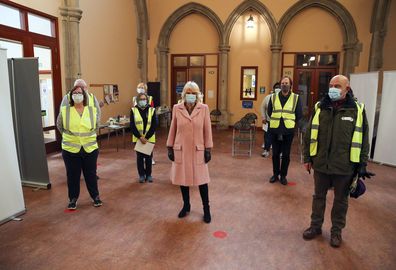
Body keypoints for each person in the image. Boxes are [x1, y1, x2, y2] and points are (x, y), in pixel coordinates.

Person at [302, 75, 374, 248]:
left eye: (337, 86)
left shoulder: (357, 109)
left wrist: (362, 164)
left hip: (344, 166)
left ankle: (336, 232)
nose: (333, 89)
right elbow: (309, 134)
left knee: (341, 201)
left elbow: (363, 139)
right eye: (331, 85)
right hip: (321, 164)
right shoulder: (321, 107)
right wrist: (307, 158)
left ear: (347, 89)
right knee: (318, 197)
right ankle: (315, 226)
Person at [166, 81, 213, 223]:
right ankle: (186, 206)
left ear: (198, 94)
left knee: (202, 181)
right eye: (188, 93)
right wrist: (169, 146)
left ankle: (206, 209)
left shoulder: (203, 108)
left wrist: (208, 148)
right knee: (183, 179)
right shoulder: (177, 108)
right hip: (181, 149)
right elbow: (173, 128)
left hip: (198, 149)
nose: (191, 95)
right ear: (184, 94)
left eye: (193, 93)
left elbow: (207, 129)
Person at [57, 85, 102, 210]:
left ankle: (95, 197)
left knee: (91, 174)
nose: (77, 95)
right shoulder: (65, 111)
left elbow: (96, 126)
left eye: (80, 92)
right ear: (71, 96)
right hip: (70, 149)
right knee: (72, 175)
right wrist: (73, 138)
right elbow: (60, 126)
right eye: (75, 93)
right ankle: (73, 199)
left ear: (84, 95)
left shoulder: (92, 110)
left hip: (90, 149)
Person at [61, 79, 102, 180]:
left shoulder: (92, 97)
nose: (80, 90)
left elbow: (98, 113)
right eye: (77, 88)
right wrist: (68, 133)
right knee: (74, 169)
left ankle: (93, 174)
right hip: (73, 140)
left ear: (86, 88)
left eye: (82, 88)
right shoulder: (67, 98)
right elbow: (61, 119)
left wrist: (93, 131)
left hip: (88, 138)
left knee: (91, 166)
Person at [267, 76, 302, 185]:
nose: (284, 85)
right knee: (275, 154)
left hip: (288, 130)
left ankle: (283, 175)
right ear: (280, 85)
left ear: (290, 85)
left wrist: (288, 121)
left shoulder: (296, 98)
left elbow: (299, 114)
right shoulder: (273, 97)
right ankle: (275, 174)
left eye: (286, 83)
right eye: (282, 83)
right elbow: (269, 111)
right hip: (275, 129)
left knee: (286, 155)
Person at [130, 93, 157, 183]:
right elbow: (132, 125)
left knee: (149, 157)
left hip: (149, 138)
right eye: (141, 99)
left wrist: (146, 137)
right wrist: (140, 137)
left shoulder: (151, 110)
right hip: (138, 138)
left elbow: (154, 124)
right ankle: (141, 175)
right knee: (140, 158)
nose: (143, 101)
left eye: (144, 99)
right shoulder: (133, 110)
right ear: (137, 100)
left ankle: (149, 175)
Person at [133, 82, 156, 165]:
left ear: (145, 89)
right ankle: (142, 158)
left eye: (142, 87)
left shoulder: (149, 98)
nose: (140, 89)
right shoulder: (134, 98)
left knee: (149, 143)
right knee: (140, 144)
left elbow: (152, 109)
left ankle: (150, 158)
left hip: (147, 122)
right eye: (139, 87)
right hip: (139, 124)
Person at [260, 82, 280, 157]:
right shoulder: (268, 97)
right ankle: (266, 150)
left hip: (281, 122)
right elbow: (262, 107)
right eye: (276, 87)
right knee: (267, 136)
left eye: (279, 87)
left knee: (280, 137)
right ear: (274, 89)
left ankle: (280, 152)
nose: (278, 89)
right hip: (269, 121)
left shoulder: (285, 98)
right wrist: (263, 117)